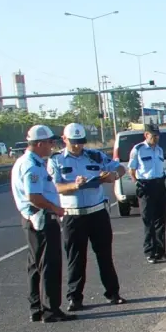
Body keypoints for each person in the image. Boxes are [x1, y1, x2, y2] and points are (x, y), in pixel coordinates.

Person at [49, 122, 127, 311]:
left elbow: (120, 168)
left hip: (97, 212)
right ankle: (75, 298)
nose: (78, 146)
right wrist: (74, 186)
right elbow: (55, 187)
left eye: (81, 142)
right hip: (73, 216)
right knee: (76, 258)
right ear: (65, 139)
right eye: (74, 142)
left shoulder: (95, 155)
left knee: (105, 256)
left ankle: (113, 293)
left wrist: (112, 175)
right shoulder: (57, 160)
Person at [12, 125, 75, 322]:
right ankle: (50, 309)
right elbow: (34, 196)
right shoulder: (32, 165)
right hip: (41, 218)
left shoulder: (28, 162)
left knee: (36, 264)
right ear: (39, 144)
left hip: (35, 218)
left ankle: (37, 308)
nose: (51, 146)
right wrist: (55, 208)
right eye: (49, 142)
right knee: (49, 264)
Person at [129, 123, 166, 264]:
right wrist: (137, 183)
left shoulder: (159, 150)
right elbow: (132, 170)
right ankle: (150, 252)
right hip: (146, 186)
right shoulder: (138, 150)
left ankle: (161, 250)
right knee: (148, 220)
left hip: (159, 184)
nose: (156, 138)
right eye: (153, 136)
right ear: (146, 135)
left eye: (157, 136)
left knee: (161, 219)